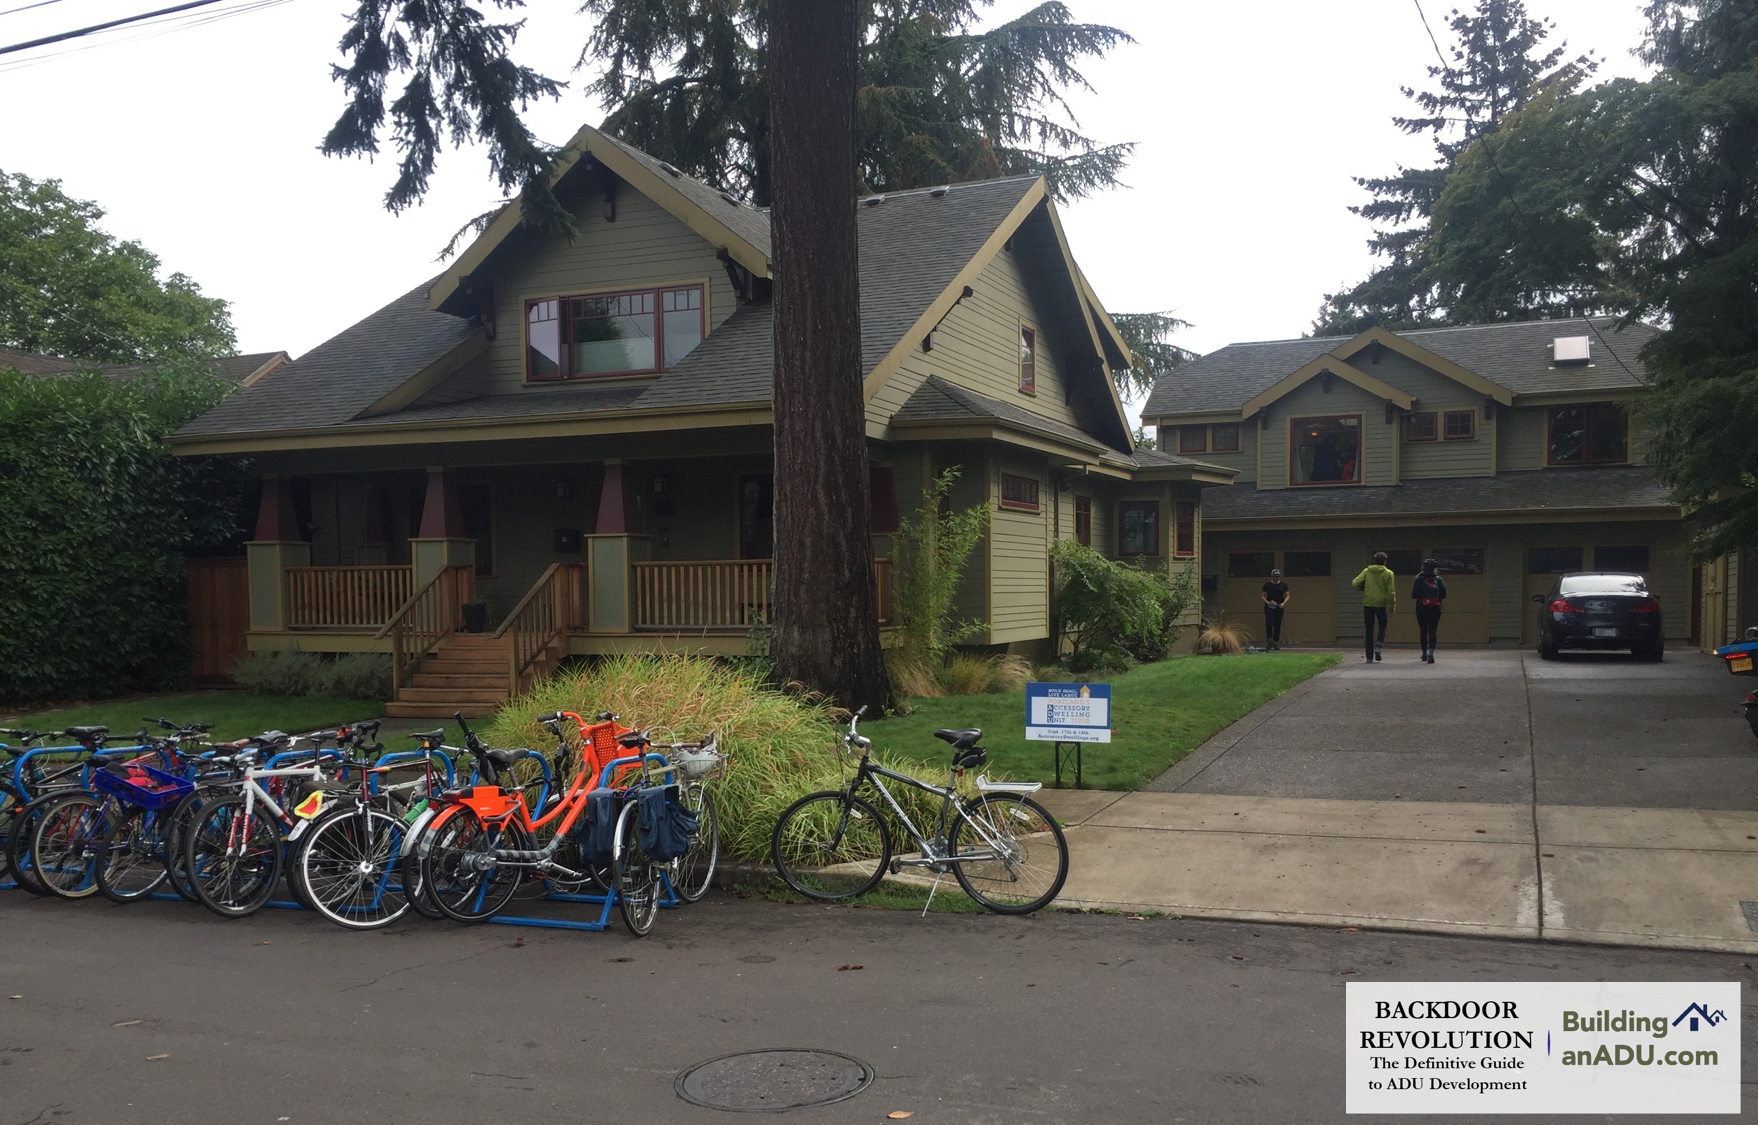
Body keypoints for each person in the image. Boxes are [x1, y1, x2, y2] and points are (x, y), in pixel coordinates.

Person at [1351, 551, 1397, 662]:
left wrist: (1362, 589)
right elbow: (1391, 592)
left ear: (1374, 561)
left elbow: (1355, 582)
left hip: (1368, 603)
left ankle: (1369, 657)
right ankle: (1379, 645)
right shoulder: (1389, 573)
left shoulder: (1367, 571)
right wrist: (1392, 607)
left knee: (1369, 630)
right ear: (1385, 562)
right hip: (1382, 604)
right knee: (1382, 627)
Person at [1412, 558, 1448, 663]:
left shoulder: (1419, 579)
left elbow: (1413, 595)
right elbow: (1444, 595)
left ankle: (1424, 653)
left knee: (1423, 630)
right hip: (1435, 608)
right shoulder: (1439, 579)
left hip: (1421, 608)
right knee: (1433, 631)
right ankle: (1431, 653)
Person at [1261, 568, 1290, 650]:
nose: (1276, 578)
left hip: (1279, 606)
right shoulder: (1267, 585)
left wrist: (1283, 603)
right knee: (1269, 623)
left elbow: (1287, 595)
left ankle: (1276, 642)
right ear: (1272, 576)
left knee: (1277, 624)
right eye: (1274, 576)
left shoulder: (1283, 585)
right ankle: (1269, 641)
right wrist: (1267, 602)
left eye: (1277, 576)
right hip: (1270, 606)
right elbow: (1263, 595)